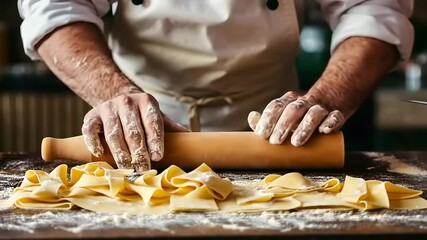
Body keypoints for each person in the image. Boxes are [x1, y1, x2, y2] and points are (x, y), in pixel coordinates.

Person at [18, 0, 413, 172]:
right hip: (135, 125)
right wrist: (114, 93)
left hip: (277, 130)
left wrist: (326, 97)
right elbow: (56, 5)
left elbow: (373, 8)